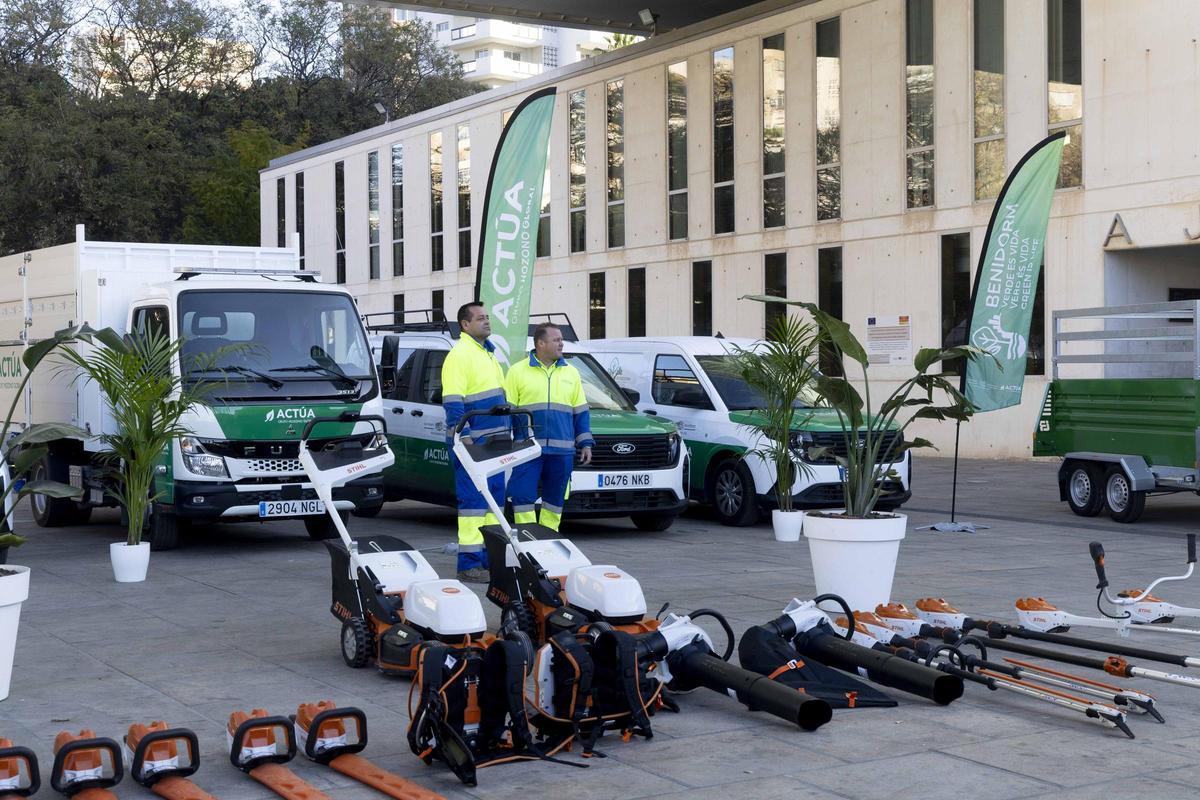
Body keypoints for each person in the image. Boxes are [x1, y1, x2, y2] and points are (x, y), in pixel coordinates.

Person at [504, 323, 593, 532]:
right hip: (527, 449)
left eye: (561, 340)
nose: (561, 344)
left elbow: (580, 411)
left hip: (562, 451)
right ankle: (526, 539)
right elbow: (507, 412)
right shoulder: (517, 371)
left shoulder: (571, 373)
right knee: (522, 496)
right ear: (540, 343)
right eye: (556, 340)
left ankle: (549, 538)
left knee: (555, 500)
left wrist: (586, 443)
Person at [442, 302, 508, 583]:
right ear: (465, 325)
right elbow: (453, 400)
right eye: (480, 318)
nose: (487, 321)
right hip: (472, 444)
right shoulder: (460, 355)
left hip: (494, 444)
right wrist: (464, 435)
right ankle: (469, 565)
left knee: (493, 506)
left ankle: (491, 561)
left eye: (487, 317)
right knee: (473, 506)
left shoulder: (488, 353)